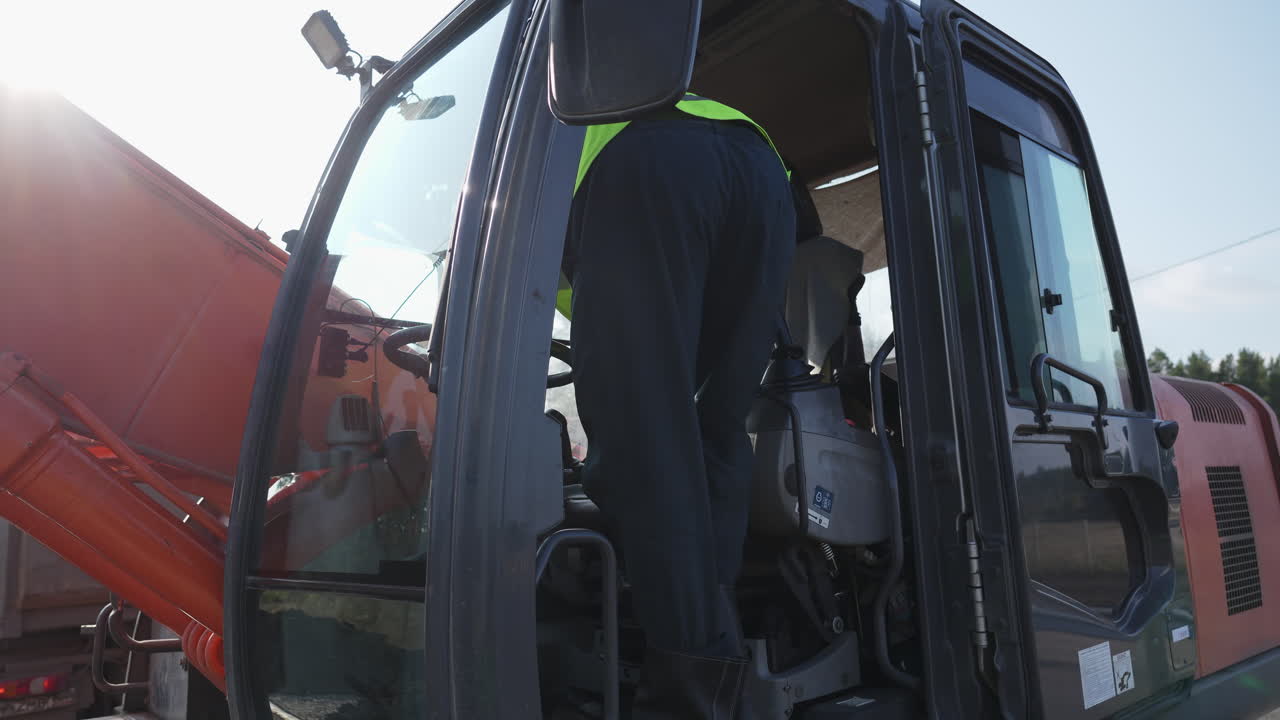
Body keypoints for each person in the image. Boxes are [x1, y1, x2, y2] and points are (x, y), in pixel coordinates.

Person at [562, 94, 796, 718]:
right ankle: (717, 643)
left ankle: (690, 698)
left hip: (643, 162)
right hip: (764, 171)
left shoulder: (497, 192)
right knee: (717, 433)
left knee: (643, 446)